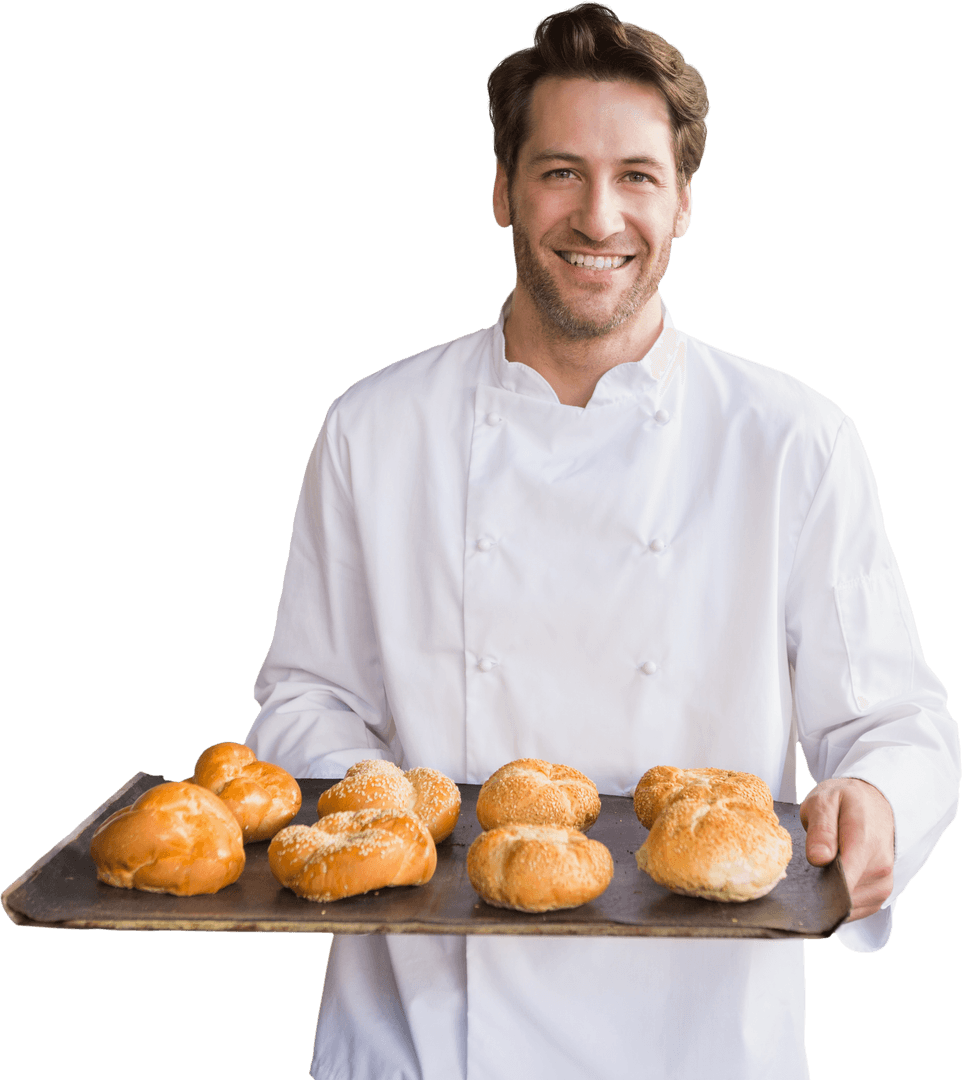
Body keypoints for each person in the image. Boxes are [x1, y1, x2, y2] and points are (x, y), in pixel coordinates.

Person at [246, 5, 960, 1078]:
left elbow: (894, 721)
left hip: (701, 1037)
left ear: (682, 204)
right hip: (422, 1031)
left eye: (635, 175)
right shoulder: (373, 426)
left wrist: (875, 806)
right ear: (501, 191)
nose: (597, 215)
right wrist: (386, 817)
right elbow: (302, 697)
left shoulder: (788, 437)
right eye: (557, 172)